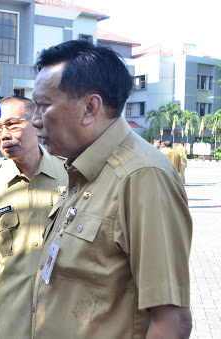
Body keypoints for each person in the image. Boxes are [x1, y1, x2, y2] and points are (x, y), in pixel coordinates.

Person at [31, 39, 192, 338]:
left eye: (43, 106)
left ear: (90, 108)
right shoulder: (82, 169)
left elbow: (172, 323)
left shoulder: (142, 177)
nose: (34, 122)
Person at [0, 96, 67, 339]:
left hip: (64, 315)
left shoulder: (69, 175)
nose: (4, 135)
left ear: (36, 123)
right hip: (12, 319)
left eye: (13, 125)